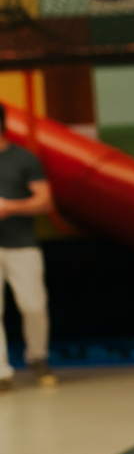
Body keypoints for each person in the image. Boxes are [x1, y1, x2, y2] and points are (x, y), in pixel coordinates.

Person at [0, 105, 56, 392]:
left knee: (33, 306)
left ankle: (38, 358)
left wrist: (10, 207)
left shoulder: (23, 158)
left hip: (22, 244)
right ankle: (1, 373)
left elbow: (45, 202)